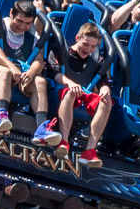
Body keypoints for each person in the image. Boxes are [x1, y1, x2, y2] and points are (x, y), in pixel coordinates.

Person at [0, 0, 53, 141]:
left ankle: (42, 128)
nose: (23, 26)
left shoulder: (33, 35)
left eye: (27, 23)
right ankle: (2, 115)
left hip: (21, 73)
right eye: (20, 21)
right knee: (5, 72)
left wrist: (31, 72)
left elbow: (39, 60)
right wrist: (11, 67)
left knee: (40, 81)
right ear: (11, 13)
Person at [48, 22, 113, 167]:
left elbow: (103, 83)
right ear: (77, 38)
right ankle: (64, 142)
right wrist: (69, 83)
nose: (88, 49)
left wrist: (105, 91)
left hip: (81, 94)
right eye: (86, 44)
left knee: (106, 101)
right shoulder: (61, 50)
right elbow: (53, 72)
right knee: (71, 92)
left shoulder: (96, 61)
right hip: (59, 90)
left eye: (93, 46)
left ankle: (90, 150)